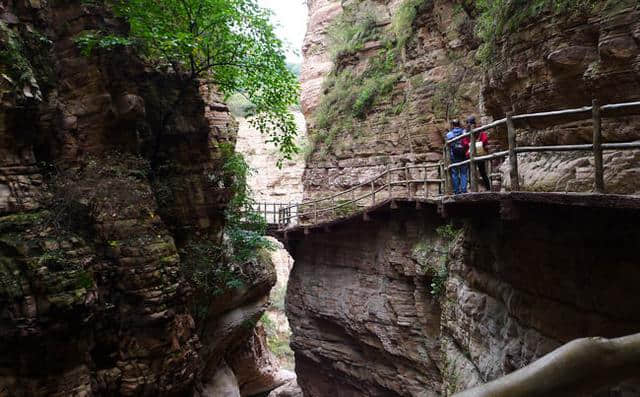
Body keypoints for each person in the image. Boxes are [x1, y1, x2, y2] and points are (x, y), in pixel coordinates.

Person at [466, 115, 491, 191]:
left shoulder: (467, 132)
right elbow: (485, 140)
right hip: (480, 153)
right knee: (482, 172)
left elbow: (464, 143)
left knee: (471, 172)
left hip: (471, 154)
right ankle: (488, 188)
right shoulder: (480, 131)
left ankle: (473, 189)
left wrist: (468, 146)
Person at [445, 119, 468, 194]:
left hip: (454, 155)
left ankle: (456, 191)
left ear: (452, 125)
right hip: (463, 154)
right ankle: (464, 190)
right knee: (463, 172)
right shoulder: (464, 132)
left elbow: (448, 145)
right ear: (459, 124)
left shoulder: (449, 134)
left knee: (454, 173)